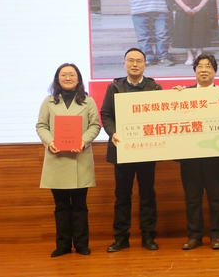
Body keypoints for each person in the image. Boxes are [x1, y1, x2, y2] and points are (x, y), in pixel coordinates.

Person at [100, 48, 162, 252]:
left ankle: (148, 236)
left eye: (139, 61)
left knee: (147, 194)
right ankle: (121, 238)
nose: (135, 64)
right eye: (131, 60)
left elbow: (163, 114)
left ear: (145, 64)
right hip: (122, 149)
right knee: (122, 196)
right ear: (124, 63)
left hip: (146, 150)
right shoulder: (114, 87)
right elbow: (106, 114)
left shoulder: (154, 87)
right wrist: (113, 133)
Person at [36, 63, 101, 257]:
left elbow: (95, 126)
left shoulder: (88, 101)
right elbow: (41, 126)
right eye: (63, 75)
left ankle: (81, 244)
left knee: (80, 205)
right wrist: (49, 142)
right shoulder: (48, 102)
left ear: (78, 78)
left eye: (72, 75)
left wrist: (83, 141)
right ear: (57, 79)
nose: (67, 78)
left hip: (79, 158)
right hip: (57, 159)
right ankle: (63, 245)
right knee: (61, 206)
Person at [174, 54, 219, 250]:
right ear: (194, 71)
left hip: (215, 157)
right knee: (192, 199)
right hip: (190, 157)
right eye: (200, 66)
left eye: (208, 66)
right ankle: (195, 236)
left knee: (216, 199)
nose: (204, 70)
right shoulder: (183, 94)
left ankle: (217, 236)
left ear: (215, 71)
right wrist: (174, 98)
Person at [171, 0, 211, 65]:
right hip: (183, 10)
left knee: (200, 31)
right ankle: (189, 55)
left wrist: (199, 7)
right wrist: (185, 7)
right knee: (185, 32)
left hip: (200, 10)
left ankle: (199, 54)